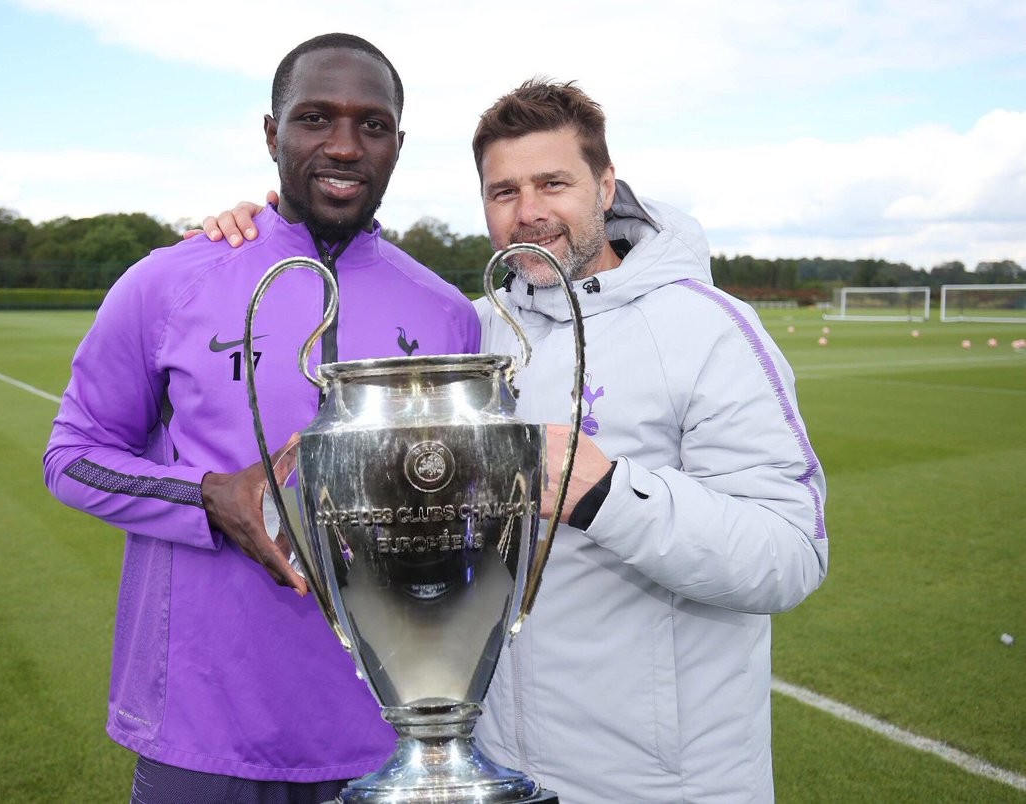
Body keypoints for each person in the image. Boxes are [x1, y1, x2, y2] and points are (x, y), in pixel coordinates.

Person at [198, 79, 829, 803]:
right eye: (502, 193)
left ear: (605, 185)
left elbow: (789, 555)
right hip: (492, 773)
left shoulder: (710, 331)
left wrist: (609, 494)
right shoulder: (471, 332)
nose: (528, 213)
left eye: (552, 183)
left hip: (662, 784)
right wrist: (265, 231)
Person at [42, 33, 480, 804]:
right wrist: (206, 495)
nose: (344, 146)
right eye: (315, 118)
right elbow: (72, 456)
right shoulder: (168, 281)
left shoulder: (446, 314)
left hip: (389, 736)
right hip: (203, 729)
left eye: (371, 125)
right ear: (271, 133)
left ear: (398, 145)